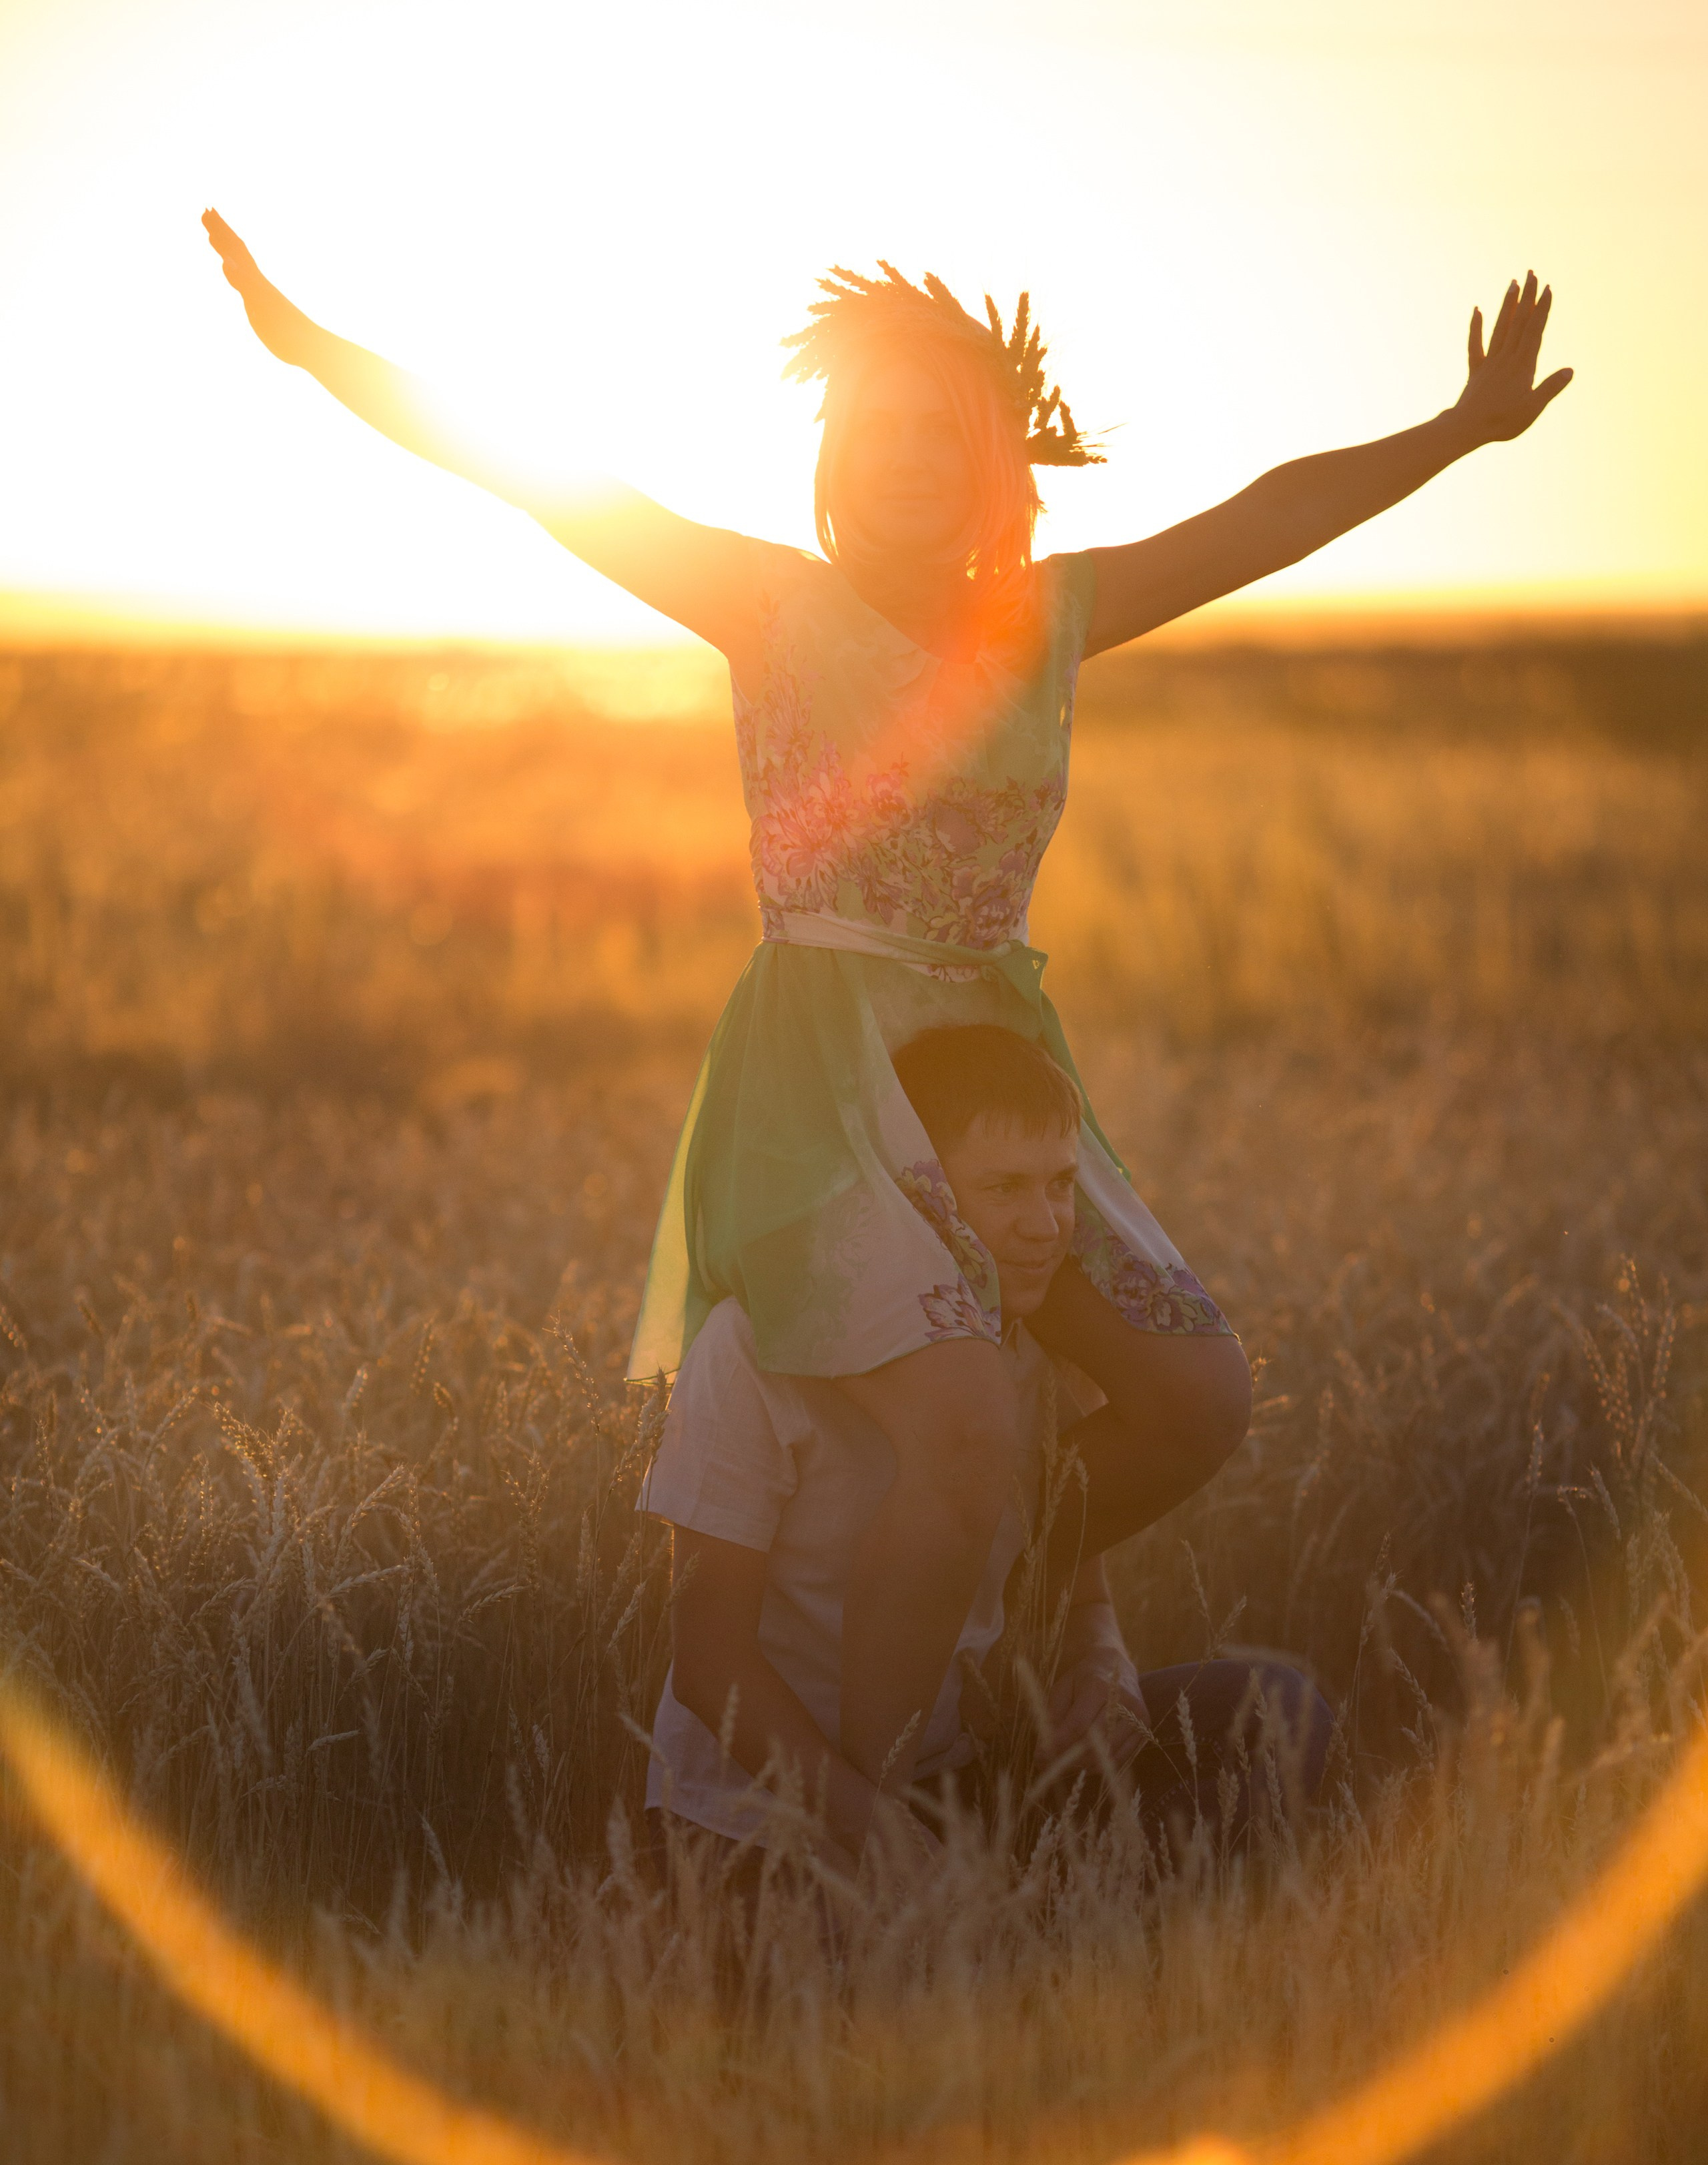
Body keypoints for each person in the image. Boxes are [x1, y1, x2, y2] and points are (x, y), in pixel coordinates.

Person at [201, 222, 1567, 1785]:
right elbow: (542, 477)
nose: (904, 456)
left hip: (992, 1073)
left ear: (990, 456)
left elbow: (1261, 520)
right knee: (967, 1417)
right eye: (871, 428)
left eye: (939, 429)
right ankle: (878, 1813)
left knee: (1195, 1396)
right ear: (832, 455)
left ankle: (997, 1617)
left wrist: (1456, 431)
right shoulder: (768, 601)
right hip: (823, 1094)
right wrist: (315, 352)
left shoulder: (1050, 614)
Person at [643, 1021, 1332, 1879]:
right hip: (767, 1818)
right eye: (1003, 1187)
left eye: (1060, 1185)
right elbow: (710, 1662)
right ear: (912, 1195)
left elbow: (1076, 1581)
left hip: (963, 1779)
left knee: (1277, 1712)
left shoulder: (1029, 1344)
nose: (1045, 1225)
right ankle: (1023, 1928)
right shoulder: (750, 1348)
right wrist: (874, 1835)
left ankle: (1051, 1930)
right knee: (864, 1952)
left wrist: (1103, 1661)